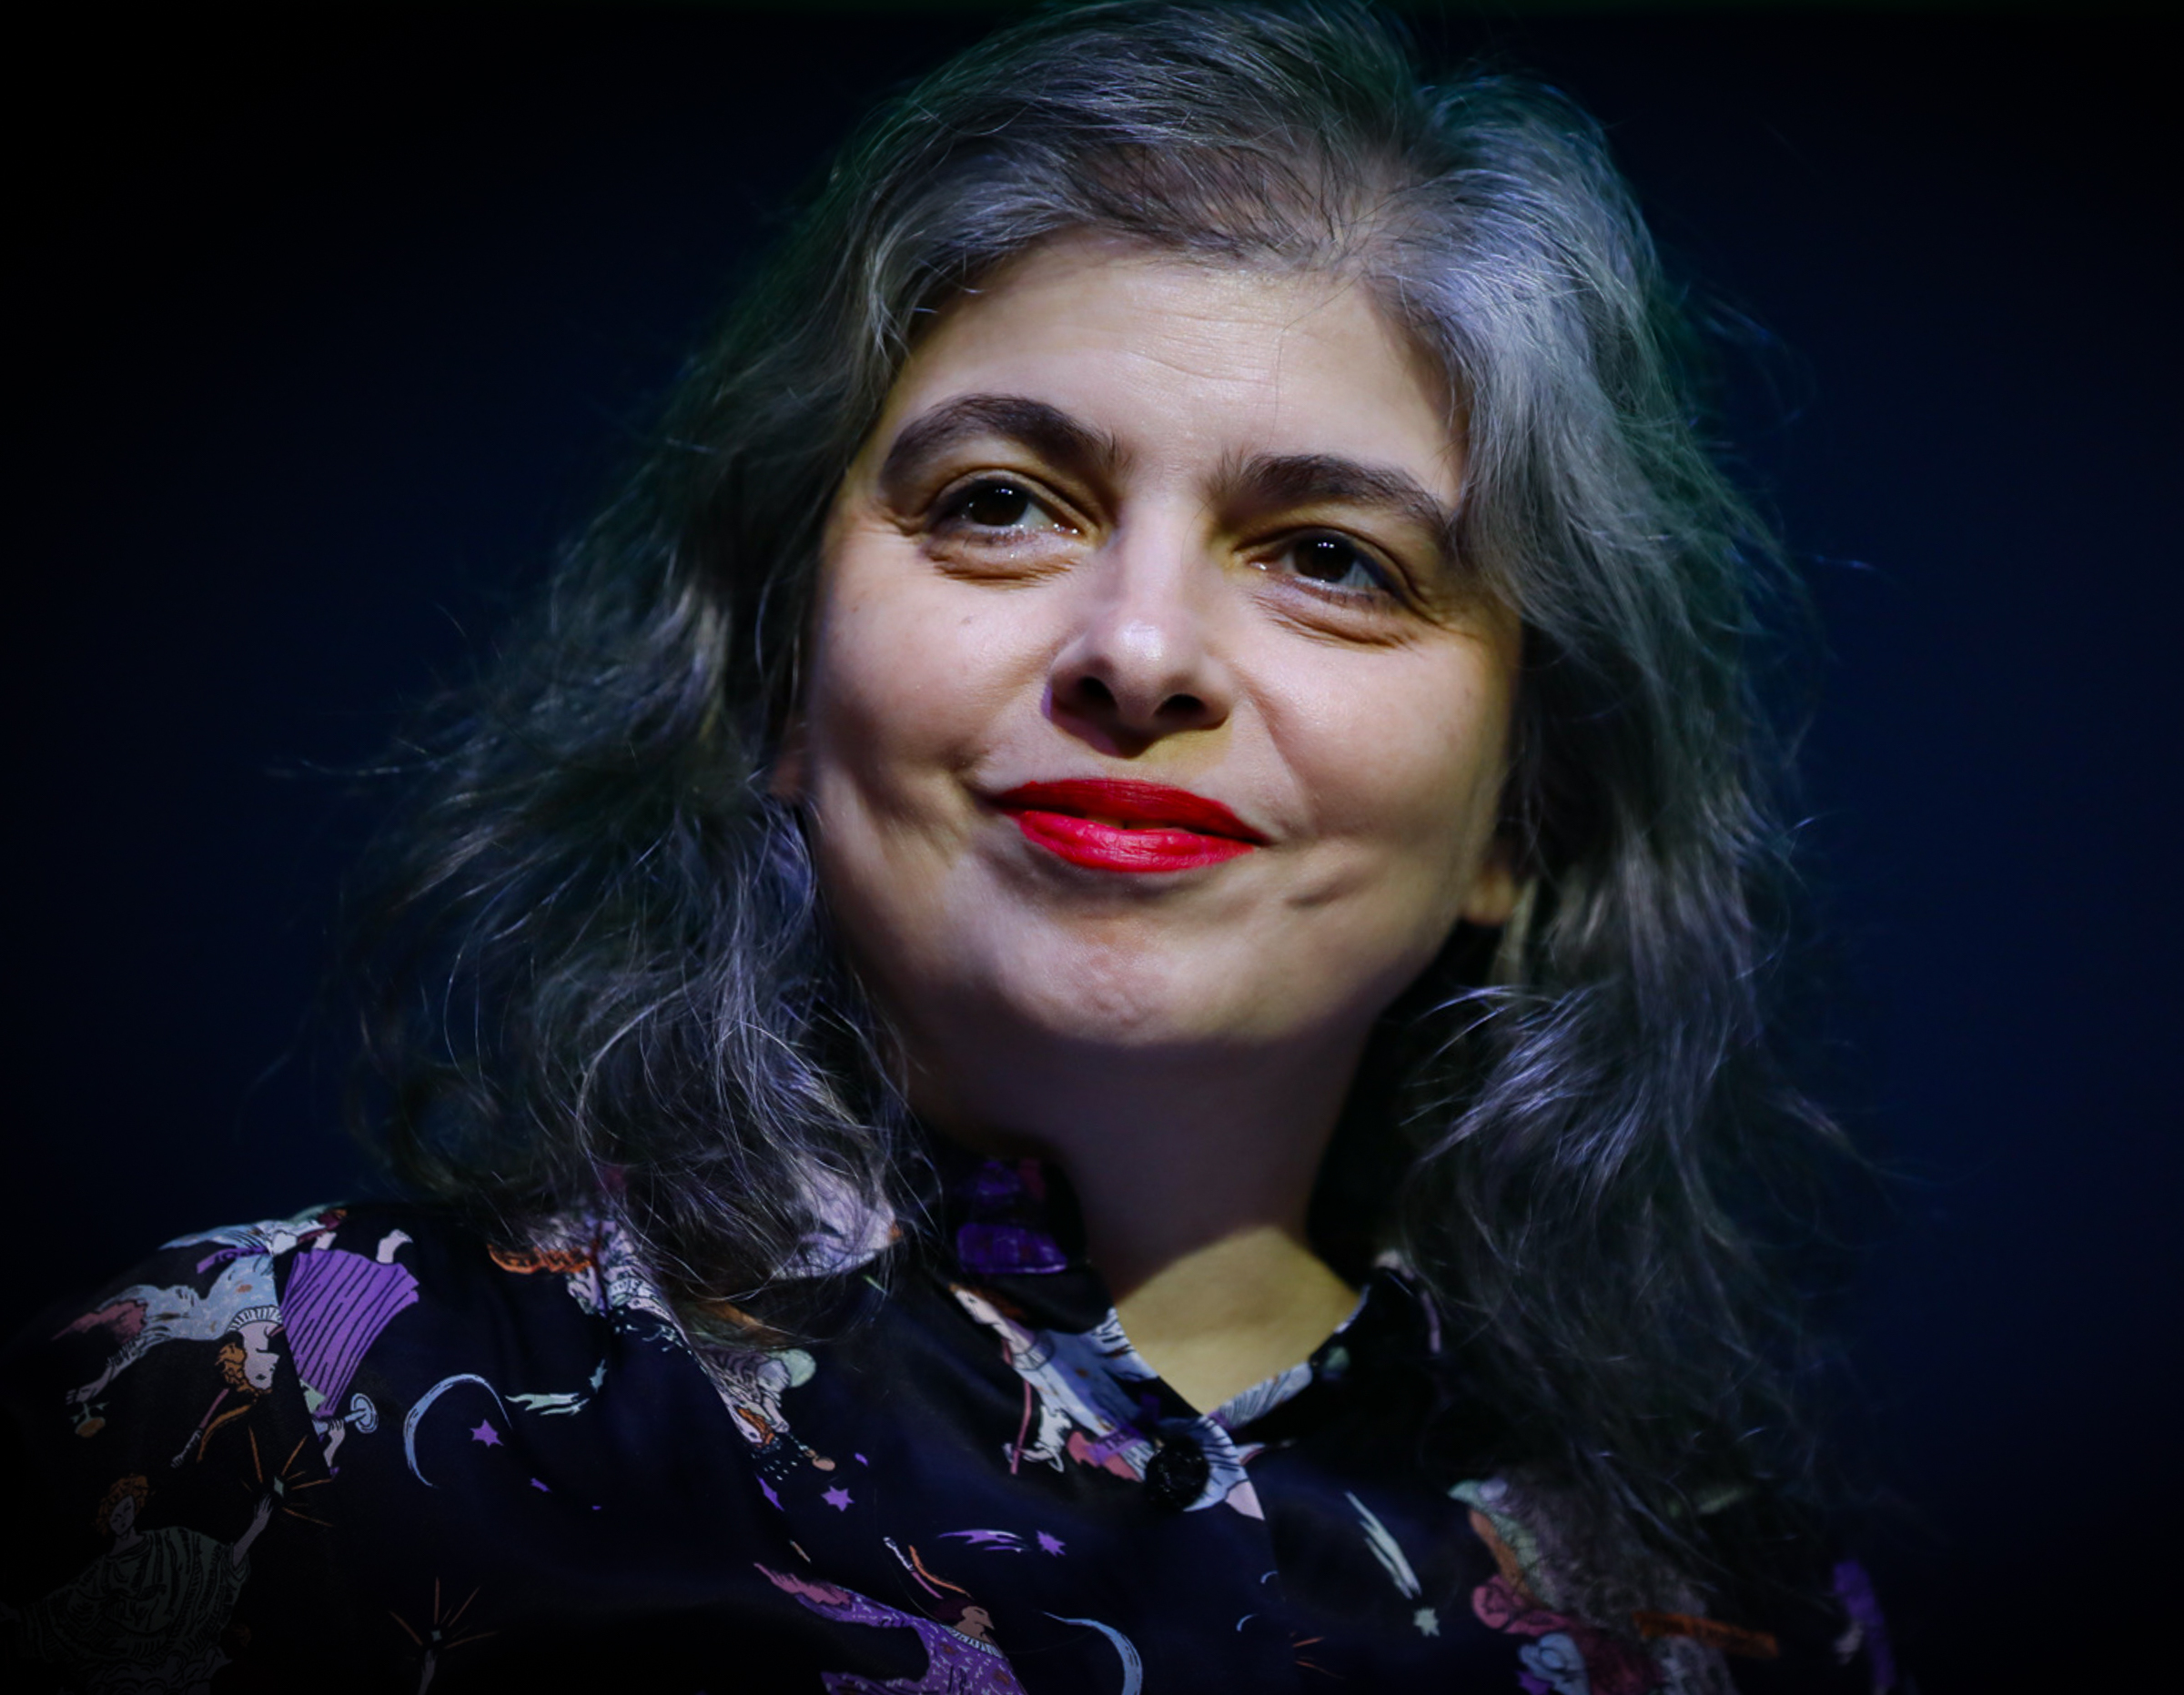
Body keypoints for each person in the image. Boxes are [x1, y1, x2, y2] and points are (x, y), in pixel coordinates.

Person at [1, 4, 1896, 1690]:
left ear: (1528, 810)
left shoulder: (1728, 1625)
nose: (1140, 650)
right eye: (1000, 503)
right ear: (770, 689)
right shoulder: (255, 1415)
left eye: (1334, 556)